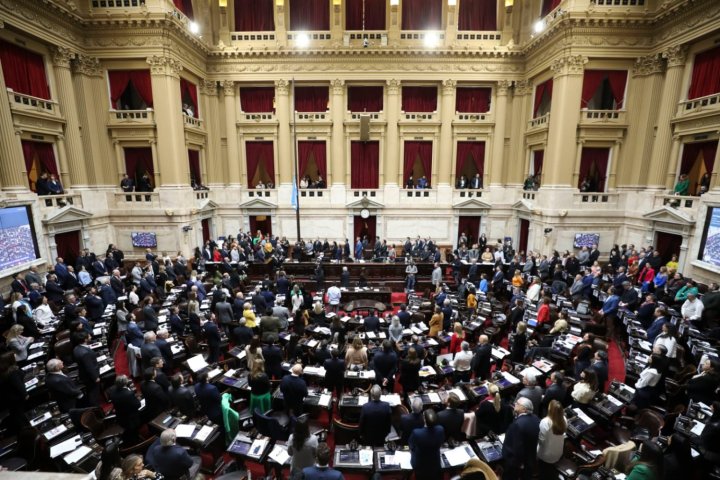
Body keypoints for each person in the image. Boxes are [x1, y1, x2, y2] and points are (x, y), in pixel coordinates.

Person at [502, 397, 540, 480]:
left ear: (524, 409)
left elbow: (517, 448)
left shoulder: (518, 424)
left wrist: (518, 464)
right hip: (530, 457)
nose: (515, 404)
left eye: (518, 404)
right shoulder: (536, 418)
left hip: (515, 462)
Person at [409, 408, 445, 480]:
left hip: (420, 463)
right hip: (435, 461)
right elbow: (441, 441)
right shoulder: (440, 429)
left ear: (424, 419)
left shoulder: (416, 432)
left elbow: (411, 446)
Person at [537, 400, 567, 478]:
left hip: (545, 456)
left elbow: (541, 442)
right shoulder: (564, 419)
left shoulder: (545, 422)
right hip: (558, 452)